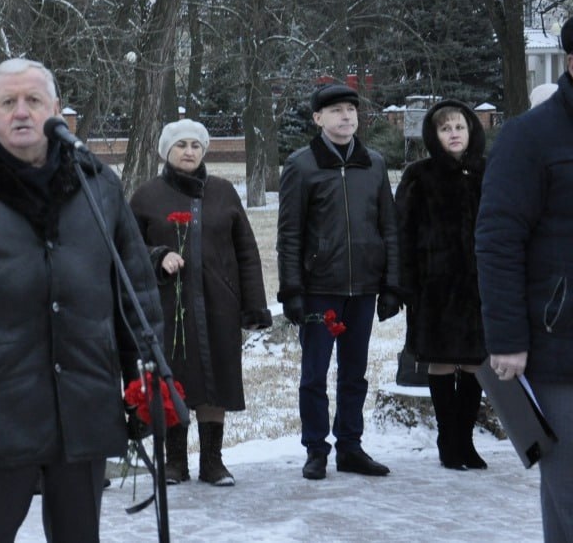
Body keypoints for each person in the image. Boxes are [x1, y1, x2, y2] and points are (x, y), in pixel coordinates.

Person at [0, 58, 165, 543]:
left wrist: (145, 381)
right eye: (8, 103)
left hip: (83, 406)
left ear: (56, 111)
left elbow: (136, 292)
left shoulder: (97, 183)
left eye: (34, 101)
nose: (21, 112)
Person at [130, 119, 271, 488]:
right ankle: (174, 461)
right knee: (174, 379)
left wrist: (254, 307)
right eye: (181, 145)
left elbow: (247, 251)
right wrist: (157, 256)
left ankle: (213, 461)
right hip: (167, 307)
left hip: (218, 303)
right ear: (166, 151)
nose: (189, 151)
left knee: (215, 380)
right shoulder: (147, 195)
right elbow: (125, 249)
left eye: (196, 145)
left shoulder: (224, 192)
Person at [476, 17, 573, 543]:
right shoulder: (528, 137)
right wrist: (508, 341)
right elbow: (497, 241)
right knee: (570, 485)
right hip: (559, 345)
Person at [277, 82, 401, 480]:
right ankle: (316, 448)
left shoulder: (375, 163)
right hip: (320, 290)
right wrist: (292, 290)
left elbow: (389, 227)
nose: (346, 117)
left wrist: (392, 284)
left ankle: (350, 445)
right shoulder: (301, 165)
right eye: (335, 111)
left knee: (355, 373)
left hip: (363, 288)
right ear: (318, 119)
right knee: (314, 373)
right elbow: (290, 233)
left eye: (351, 110)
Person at [394, 99, 488, 471]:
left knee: (476, 362)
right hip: (435, 285)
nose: (453, 134)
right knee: (443, 361)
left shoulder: (488, 171)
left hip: (481, 285)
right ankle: (448, 440)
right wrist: (405, 285)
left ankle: (465, 440)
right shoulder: (420, 175)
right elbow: (402, 232)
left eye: (459, 127)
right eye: (445, 128)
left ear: (471, 132)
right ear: (434, 135)